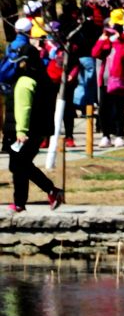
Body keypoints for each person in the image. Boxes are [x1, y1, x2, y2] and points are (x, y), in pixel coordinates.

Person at [6, 31, 61, 212]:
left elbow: (24, 108)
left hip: (24, 131)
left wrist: (21, 131)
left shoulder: (24, 81)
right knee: (21, 165)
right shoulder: (43, 78)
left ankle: (26, 200)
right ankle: (44, 193)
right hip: (40, 129)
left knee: (18, 165)